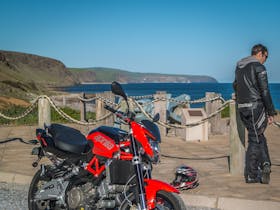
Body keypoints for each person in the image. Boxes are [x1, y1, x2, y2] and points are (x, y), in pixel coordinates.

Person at [233, 44, 277, 184]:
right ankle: (251, 174)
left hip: (242, 107)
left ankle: (265, 163)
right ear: (260, 54)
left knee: (258, 135)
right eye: (266, 57)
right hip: (255, 107)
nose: (266, 60)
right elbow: (264, 91)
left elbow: (235, 85)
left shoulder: (239, 66)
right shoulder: (258, 67)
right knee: (254, 138)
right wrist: (271, 111)